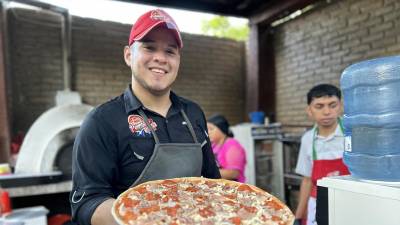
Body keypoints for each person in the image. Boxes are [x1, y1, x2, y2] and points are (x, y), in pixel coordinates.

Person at [69, 9, 221, 225]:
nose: (160, 58)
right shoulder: (102, 121)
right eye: (149, 47)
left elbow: (214, 184)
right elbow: (86, 203)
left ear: (178, 60)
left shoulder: (193, 113)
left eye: (170, 51)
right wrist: (152, 218)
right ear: (128, 55)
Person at [294, 84, 349, 225]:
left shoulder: (351, 133)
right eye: (319, 106)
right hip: (318, 204)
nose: (327, 112)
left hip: (350, 201)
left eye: (332, 105)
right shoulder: (307, 139)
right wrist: (298, 217)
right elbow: (307, 180)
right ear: (309, 110)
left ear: (341, 106)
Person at [207, 114, 246, 183]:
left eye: (211, 129)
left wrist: (207, 173)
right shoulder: (213, 145)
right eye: (207, 129)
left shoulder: (232, 145)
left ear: (222, 129)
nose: (208, 132)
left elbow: (234, 173)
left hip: (234, 188)